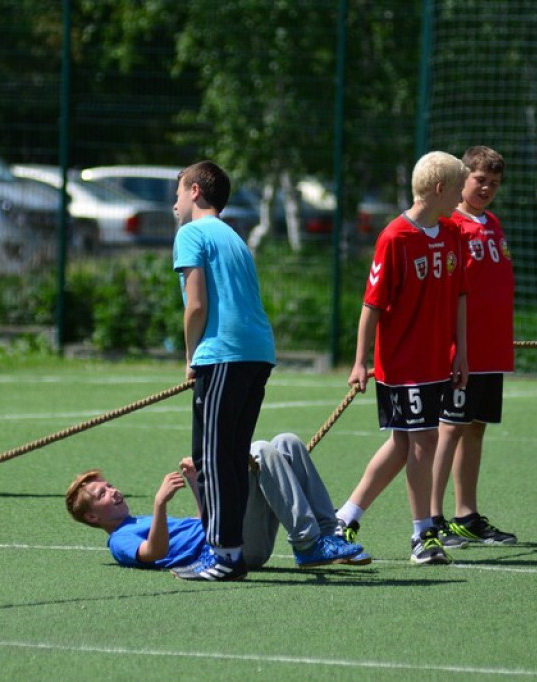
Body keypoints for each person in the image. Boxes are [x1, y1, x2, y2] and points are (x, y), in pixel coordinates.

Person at [335, 151, 468, 566]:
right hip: (402, 363)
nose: (464, 195)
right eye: (459, 186)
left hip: (435, 361)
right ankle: (422, 534)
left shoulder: (451, 234)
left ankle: (345, 518)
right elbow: (371, 306)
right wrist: (360, 361)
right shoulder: (395, 237)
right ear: (441, 189)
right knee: (424, 441)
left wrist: (460, 350)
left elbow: (460, 296)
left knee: (401, 444)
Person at [65, 433, 369, 579]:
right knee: (260, 450)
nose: (113, 491)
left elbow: (205, 522)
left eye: (109, 486)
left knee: (286, 442)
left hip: (231, 533)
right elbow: (152, 554)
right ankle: (307, 543)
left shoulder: (137, 520)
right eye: (102, 494)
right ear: (92, 516)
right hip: (237, 550)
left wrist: (198, 483)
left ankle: (329, 537)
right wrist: (160, 504)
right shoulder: (119, 539)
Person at [171, 160, 277, 580]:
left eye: (178, 192)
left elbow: (196, 305)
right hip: (257, 352)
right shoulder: (233, 236)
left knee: (211, 457)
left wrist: (191, 356)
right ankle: (230, 550)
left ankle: (225, 555)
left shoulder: (191, 233)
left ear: (195, 191)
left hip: (224, 354)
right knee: (230, 455)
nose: (175, 203)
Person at [429, 146, 518, 547]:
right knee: (448, 429)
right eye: (480, 180)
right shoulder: (450, 225)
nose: (486, 188)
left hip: (491, 348)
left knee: (475, 428)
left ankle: (466, 514)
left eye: (494, 183)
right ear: (463, 179)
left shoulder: (493, 223)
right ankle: (432, 518)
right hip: (461, 348)